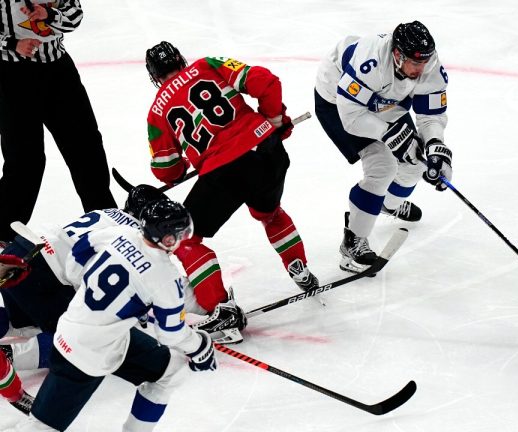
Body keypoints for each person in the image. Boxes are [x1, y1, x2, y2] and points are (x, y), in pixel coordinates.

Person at [144, 42, 319, 342]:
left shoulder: (157, 112)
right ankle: (299, 267)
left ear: (154, 75)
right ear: (180, 59)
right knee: (269, 212)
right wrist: (275, 121)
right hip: (268, 152)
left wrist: (191, 157)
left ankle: (222, 312)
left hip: (226, 171)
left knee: (185, 238)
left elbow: (167, 170)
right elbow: (266, 82)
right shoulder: (207, 64)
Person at [15, 200, 217, 431]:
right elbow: (171, 335)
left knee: (170, 370)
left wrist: (85, 284)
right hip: (89, 354)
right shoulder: (166, 278)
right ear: (169, 238)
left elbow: (80, 250)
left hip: (82, 330)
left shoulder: (121, 232)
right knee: (42, 426)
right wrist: (199, 345)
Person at [0, 185, 168, 415]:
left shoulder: (107, 212)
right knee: (80, 340)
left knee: (23, 320)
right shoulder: (137, 238)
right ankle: (12, 356)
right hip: (41, 273)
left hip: (19, 249)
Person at [314, 20, 452, 274]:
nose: (421, 69)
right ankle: (352, 244)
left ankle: (387, 203)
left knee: (415, 162)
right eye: (415, 63)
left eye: (424, 62)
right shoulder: (371, 63)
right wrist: (390, 135)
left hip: (385, 101)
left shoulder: (426, 64)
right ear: (398, 55)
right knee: (383, 166)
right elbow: (352, 117)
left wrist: (435, 146)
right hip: (339, 103)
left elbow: (431, 116)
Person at [0, 0, 117, 242]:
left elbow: (75, 15)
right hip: (11, 76)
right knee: (25, 162)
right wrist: (13, 44)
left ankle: (106, 221)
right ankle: (1, 232)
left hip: (58, 72)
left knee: (86, 148)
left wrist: (50, 14)